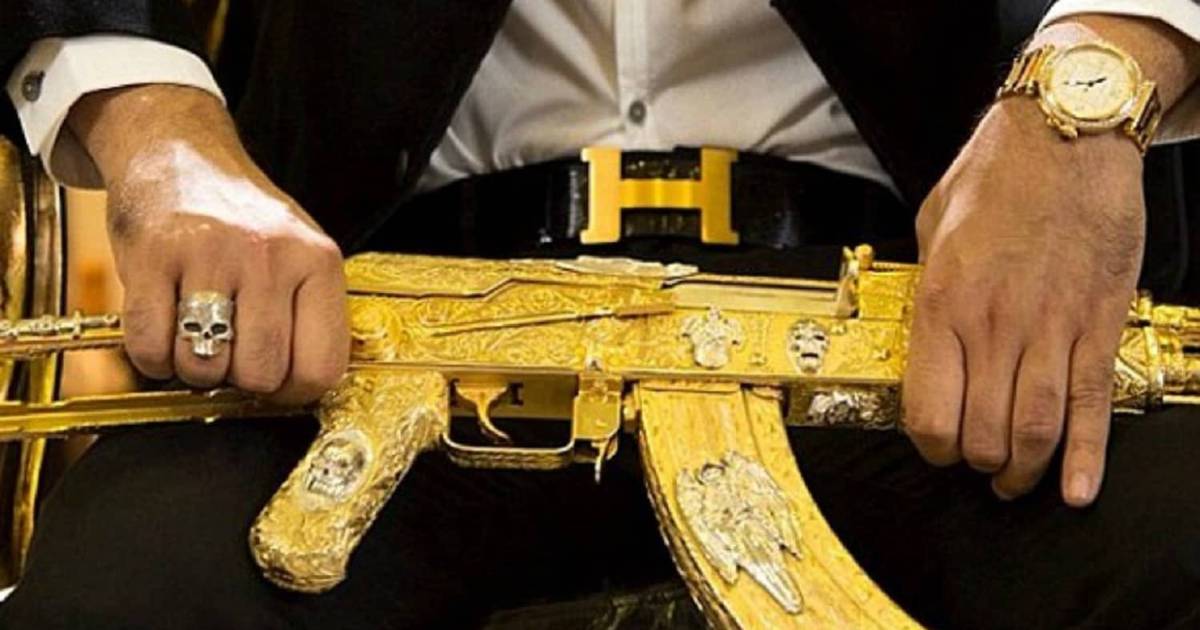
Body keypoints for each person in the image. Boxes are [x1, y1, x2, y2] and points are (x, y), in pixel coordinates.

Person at [1, 1, 1199, 628]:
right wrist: (156, 129)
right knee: (126, 595)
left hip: (932, 312)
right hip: (375, 317)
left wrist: (1097, 77)